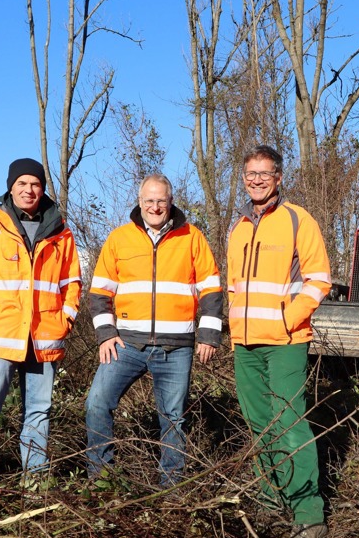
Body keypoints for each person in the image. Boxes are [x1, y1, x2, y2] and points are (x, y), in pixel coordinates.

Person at [85, 173, 224, 487]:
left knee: (173, 418)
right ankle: (100, 478)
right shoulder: (119, 239)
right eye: (149, 200)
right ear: (139, 202)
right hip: (126, 345)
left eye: (161, 200)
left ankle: (170, 487)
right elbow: (98, 294)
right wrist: (106, 334)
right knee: (96, 403)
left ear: (170, 201)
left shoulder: (192, 237)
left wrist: (208, 335)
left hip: (176, 347)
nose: (155, 206)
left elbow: (212, 291)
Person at [0, 157, 82, 490]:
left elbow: (72, 283)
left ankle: (34, 485)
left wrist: (66, 318)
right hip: (0, 337)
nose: (29, 190)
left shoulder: (61, 231)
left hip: (44, 339)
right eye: (22, 183)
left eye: (35, 184)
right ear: (11, 186)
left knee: (38, 414)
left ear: (43, 188)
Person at [226, 145, 332, 538]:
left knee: (289, 422)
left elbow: (319, 279)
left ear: (278, 178)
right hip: (246, 344)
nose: (256, 180)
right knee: (259, 426)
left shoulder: (297, 220)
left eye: (263, 174)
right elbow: (234, 286)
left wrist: (289, 319)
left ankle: (308, 512)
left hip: (286, 341)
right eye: (250, 174)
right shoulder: (237, 227)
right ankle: (272, 503)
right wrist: (236, 326)